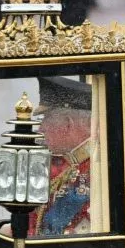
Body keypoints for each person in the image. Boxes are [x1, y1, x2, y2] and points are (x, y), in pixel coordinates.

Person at [30, 76, 95, 236]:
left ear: (67, 123)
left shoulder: (105, 168)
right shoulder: (65, 168)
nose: (40, 129)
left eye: (46, 119)